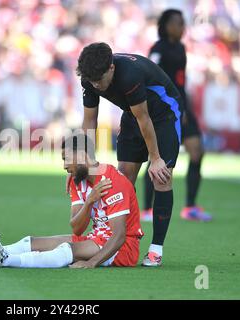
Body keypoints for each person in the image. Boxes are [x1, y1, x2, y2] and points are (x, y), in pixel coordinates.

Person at [0, 133, 144, 268]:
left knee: (65, 250)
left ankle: (6, 260)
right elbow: (77, 229)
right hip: (97, 238)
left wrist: (91, 263)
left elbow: (119, 236)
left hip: (123, 249)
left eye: (67, 159)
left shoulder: (114, 182)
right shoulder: (78, 180)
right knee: (30, 242)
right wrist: (89, 202)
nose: (64, 166)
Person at [76, 42, 181, 267]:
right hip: (133, 116)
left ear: (111, 69)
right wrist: (87, 158)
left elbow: (146, 118)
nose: (96, 85)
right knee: (123, 180)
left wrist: (155, 158)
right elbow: (89, 120)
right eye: (91, 81)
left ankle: (155, 250)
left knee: (161, 178)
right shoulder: (90, 77)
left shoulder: (129, 75)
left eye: (99, 80)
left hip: (163, 116)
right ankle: (119, 240)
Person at [142, 9, 212, 222]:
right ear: (166, 26)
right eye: (177, 24)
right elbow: (147, 74)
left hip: (181, 106)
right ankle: (147, 209)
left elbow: (180, 82)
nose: (182, 28)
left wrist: (183, 108)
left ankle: (190, 206)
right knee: (159, 156)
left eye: (183, 23)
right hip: (164, 107)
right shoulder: (158, 49)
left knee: (197, 150)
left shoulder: (181, 48)